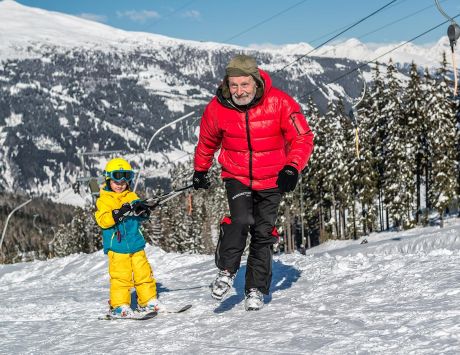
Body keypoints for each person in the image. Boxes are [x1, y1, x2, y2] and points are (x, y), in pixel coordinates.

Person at [193, 54, 314, 311]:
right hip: (237, 176)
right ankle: (227, 270)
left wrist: (292, 168)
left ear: (256, 81)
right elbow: (207, 141)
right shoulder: (217, 108)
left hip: (272, 179)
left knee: (262, 232)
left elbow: (303, 138)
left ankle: (255, 287)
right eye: (234, 85)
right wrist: (200, 170)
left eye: (244, 84)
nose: (239, 91)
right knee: (241, 220)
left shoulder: (280, 103)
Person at [94, 157, 159, 318]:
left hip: (136, 243)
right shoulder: (104, 200)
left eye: (126, 176)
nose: (121, 182)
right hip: (117, 246)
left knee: (143, 274)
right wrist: (118, 213)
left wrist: (144, 211)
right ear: (108, 178)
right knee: (121, 278)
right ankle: (119, 305)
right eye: (117, 176)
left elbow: (139, 217)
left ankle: (148, 301)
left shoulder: (131, 195)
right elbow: (103, 220)